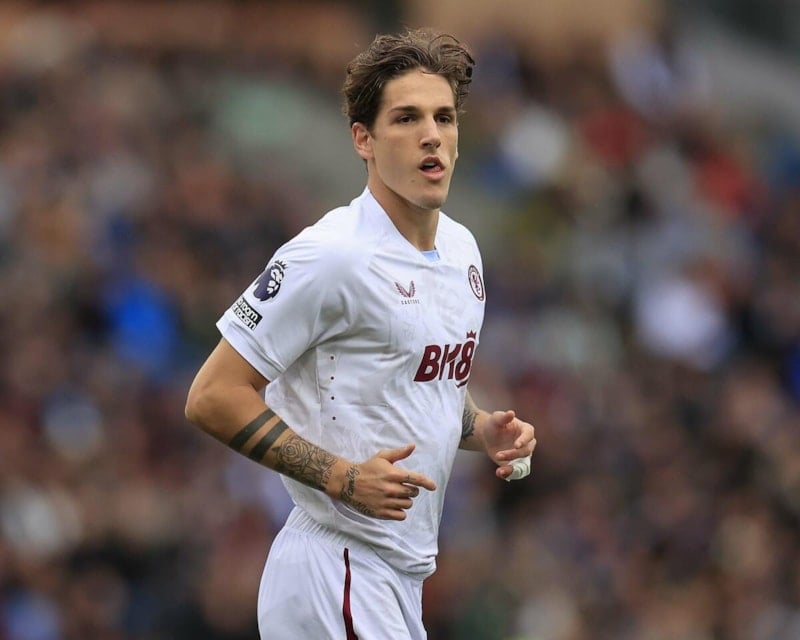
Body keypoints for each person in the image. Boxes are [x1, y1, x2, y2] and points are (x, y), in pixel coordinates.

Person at [185, 27, 537, 640]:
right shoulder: (330, 256)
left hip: (393, 578)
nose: (431, 134)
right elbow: (212, 395)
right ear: (363, 140)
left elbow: (412, 386)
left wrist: (481, 429)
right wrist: (341, 477)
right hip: (336, 568)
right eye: (406, 118)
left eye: (444, 117)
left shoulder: (462, 251)